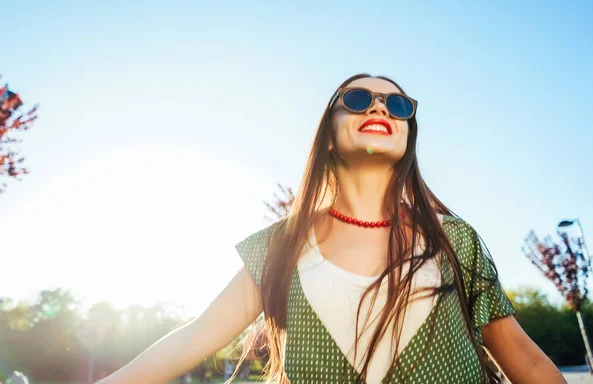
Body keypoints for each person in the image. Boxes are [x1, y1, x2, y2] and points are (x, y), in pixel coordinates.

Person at [96, 74, 566, 383]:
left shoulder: (454, 240)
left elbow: (522, 358)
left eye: (397, 104)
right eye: (359, 99)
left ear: (408, 133)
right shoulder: (279, 248)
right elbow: (192, 339)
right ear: (327, 132)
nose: (379, 109)